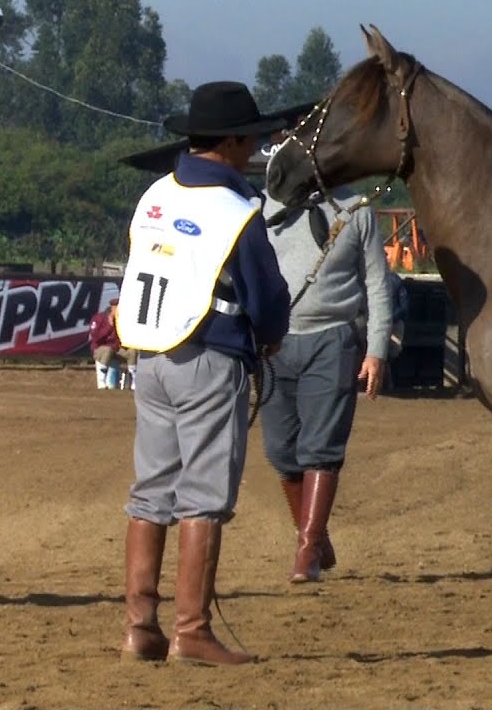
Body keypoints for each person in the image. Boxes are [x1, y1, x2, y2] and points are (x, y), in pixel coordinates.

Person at [115, 81, 290, 665]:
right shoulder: (237, 210)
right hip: (209, 355)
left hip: (152, 356)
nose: (257, 147)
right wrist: (268, 338)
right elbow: (266, 299)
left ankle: (140, 627)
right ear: (234, 142)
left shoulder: (155, 194)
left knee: (151, 489)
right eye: (253, 138)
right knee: (205, 494)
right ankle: (191, 631)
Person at [260, 162, 396, 584]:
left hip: (333, 338)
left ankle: (306, 554)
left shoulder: (358, 210)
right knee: (280, 451)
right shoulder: (264, 208)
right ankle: (316, 534)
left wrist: (376, 350)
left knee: (320, 448)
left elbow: (378, 283)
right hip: (275, 342)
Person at [88, 298, 137, 390]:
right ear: (112, 308)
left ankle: (133, 382)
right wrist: (109, 326)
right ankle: (102, 381)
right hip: (100, 349)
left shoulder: (123, 320)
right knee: (107, 350)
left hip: (117, 349)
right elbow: (95, 337)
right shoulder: (99, 318)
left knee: (132, 352)